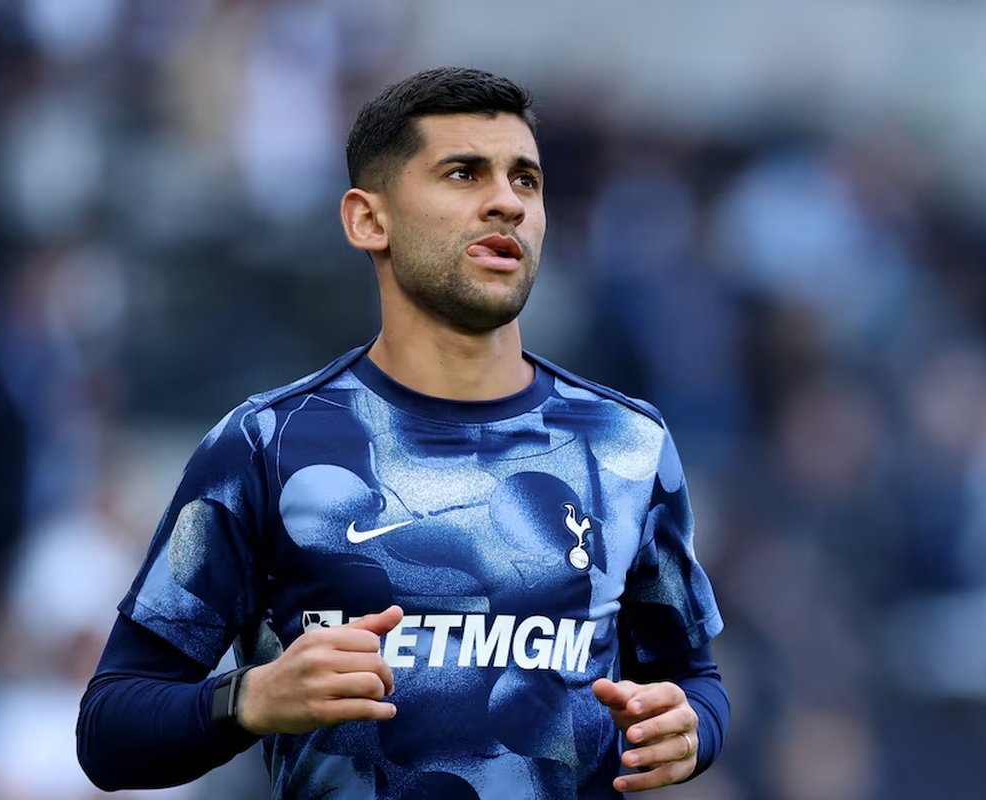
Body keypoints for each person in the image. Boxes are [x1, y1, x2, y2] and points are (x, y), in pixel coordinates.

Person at [77, 66, 730, 798]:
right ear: (368, 220)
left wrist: (693, 731)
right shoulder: (266, 446)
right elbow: (109, 729)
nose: (506, 203)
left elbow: (693, 680)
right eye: (464, 174)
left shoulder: (627, 445)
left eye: (527, 181)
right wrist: (251, 699)